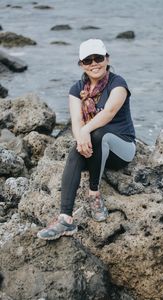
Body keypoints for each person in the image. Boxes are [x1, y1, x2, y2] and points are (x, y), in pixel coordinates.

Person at [37, 39, 136, 240]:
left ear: (107, 59)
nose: (94, 63)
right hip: (95, 151)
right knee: (76, 149)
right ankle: (65, 219)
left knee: (98, 134)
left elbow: (108, 113)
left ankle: (94, 195)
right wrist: (80, 137)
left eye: (98, 58)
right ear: (81, 64)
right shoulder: (77, 89)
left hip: (122, 149)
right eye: (88, 60)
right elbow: (76, 119)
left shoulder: (118, 84)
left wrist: (84, 132)